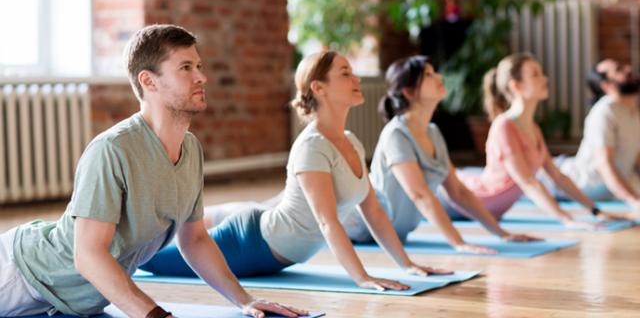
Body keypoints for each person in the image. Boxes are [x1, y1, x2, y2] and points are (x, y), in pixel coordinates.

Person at [0, 25, 305, 318]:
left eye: (199, 65)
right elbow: (88, 255)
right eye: (186, 68)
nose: (202, 77)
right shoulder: (112, 149)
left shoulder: (191, 149)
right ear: (149, 81)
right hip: (21, 274)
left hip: (74, 303)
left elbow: (195, 239)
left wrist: (245, 300)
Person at [141, 51, 452, 291]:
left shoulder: (352, 142)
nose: (356, 79)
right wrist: (363, 278)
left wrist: (407, 264)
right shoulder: (312, 146)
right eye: (345, 73)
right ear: (319, 88)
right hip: (252, 244)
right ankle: (113, 240)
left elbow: (373, 211)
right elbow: (327, 222)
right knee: (146, 260)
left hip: (276, 250)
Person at [341, 55, 538, 254]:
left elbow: (459, 192)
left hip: (394, 235)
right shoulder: (396, 134)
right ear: (409, 92)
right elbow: (419, 194)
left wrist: (501, 233)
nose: (439, 77)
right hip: (361, 227)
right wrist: (459, 243)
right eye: (428, 75)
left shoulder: (433, 132)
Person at [439, 54, 624, 227]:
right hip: (462, 201)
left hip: (492, 211)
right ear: (516, 86)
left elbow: (557, 177)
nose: (545, 79)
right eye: (535, 75)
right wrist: (567, 220)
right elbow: (528, 182)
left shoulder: (533, 128)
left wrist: (595, 210)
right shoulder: (504, 126)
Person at [546, 59, 640, 210]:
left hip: (608, 188)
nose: (628, 69)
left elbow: (635, 158)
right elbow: (605, 164)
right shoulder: (604, 112)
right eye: (619, 69)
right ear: (607, 85)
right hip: (574, 181)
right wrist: (633, 200)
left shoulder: (633, 112)